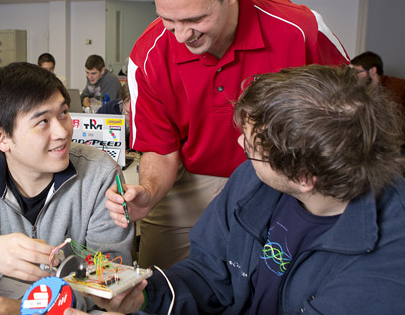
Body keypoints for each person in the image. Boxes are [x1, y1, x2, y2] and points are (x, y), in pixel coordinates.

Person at [67, 65, 405, 315]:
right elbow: (207, 273)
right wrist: (144, 295)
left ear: (304, 177)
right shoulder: (251, 182)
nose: (241, 144)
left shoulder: (387, 262)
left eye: (254, 147)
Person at [105, 0, 350, 269]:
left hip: (286, 180)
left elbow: (348, 117)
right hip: (189, 183)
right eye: (167, 18)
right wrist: (147, 191)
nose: (180, 35)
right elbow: (160, 148)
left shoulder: (301, 30)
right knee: (160, 283)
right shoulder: (149, 54)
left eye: (194, 19)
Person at [0, 62, 134, 314]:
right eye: (43, 122)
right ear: (1, 138)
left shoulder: (101, 175)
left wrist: (33, 306)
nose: (63, 132)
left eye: (63, 113)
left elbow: (111, 281)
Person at [97, 82, 131, 150]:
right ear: (122, 103)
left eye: (137, 114)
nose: (132, 119)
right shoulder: (108, 109)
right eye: (128, 113)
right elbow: (95, 134)